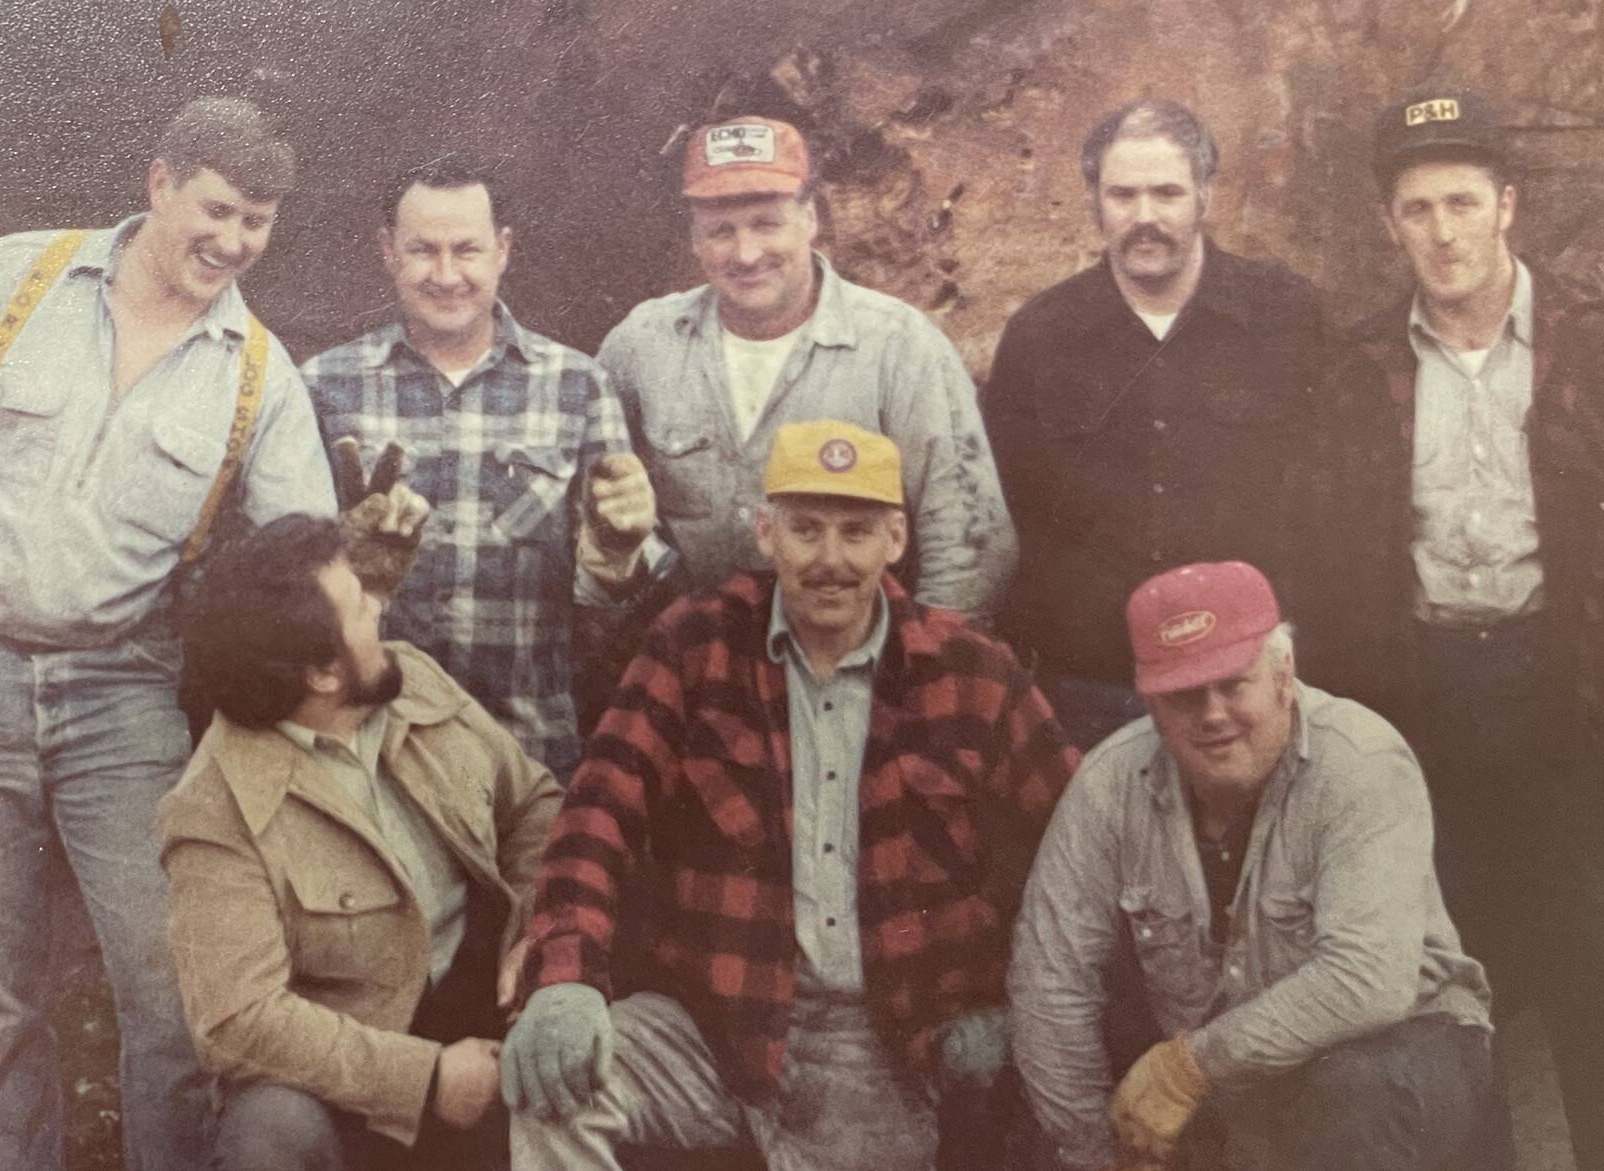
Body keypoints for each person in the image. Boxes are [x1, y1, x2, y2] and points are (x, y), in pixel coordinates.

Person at [0, 97, 350, 1170]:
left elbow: (305, 568)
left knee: (173, 1000)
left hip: (124, 694)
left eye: (257, 222)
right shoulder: (14, 278)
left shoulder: (256, 372)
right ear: (158, 183)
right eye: (216, 207)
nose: (232, 240)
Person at [504, 420, 1076, 1170]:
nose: (831, 559)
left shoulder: (972, 672)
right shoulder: (694, 644)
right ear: (765, 533)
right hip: (713, 1015)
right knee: (551, 1083)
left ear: (896, 539)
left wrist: (1013, 1008)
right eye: (805, 529)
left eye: (857, 531)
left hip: (879, 1040)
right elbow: (598, 811)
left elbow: (1076, 847)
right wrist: (566, 978)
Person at [1302, 90, 1604, 1171]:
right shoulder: (1357, 367)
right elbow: (1335, 562)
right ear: (1390, 222)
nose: (1440, 231)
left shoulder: (1585, 342)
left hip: (1566, 692)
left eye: (1460, 202)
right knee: (1451, 972)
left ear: (1505, 206)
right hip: (1423, 700)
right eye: (1416, 207)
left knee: (1588, 955)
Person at [1010, 560, 1494, 1171]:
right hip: (1222, 1073)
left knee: (1355, 1092)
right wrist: (1092, 1154)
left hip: (1393, 1047)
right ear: (1151, 703)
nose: (1212, 714)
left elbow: (1369, 980)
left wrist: (1189, 1067)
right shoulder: (1108, 784)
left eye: (1234, 684)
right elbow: (1051, 980)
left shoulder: (1362, 760)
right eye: (1185, 694)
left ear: (1282, 676)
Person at [159, 513, 563, 1170]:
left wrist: (537, 927)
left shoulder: (416, 680)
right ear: (322, 671)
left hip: (494, 1012)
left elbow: (535, 808)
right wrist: (426, 1078)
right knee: (268, 1132)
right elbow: (238, 1018)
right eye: (359, 605)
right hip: (361, 1084)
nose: (380, 604)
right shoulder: (212, 807)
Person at [981, 98, 1327, 749]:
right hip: (1093, 689)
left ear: (1206, 195)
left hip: (1247, 681)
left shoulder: (1285, 318)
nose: (1145, 217)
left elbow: (1324, 501)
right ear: (1094, 200)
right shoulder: (1040, 335)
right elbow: (1007, 516)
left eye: (1167, 192)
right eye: (1123, 194)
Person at [304, 159, 658, 778]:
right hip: (366, 753)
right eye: (422, 250)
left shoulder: (577, 386)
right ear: (388, 251)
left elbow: (610, 602)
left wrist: (619, 550)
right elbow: (283, 584)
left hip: (526, 753)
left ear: (503, 250)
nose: (446, 275)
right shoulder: (322, 386)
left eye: (466, 250)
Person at [595, 116, 1014, 617]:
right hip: (694, 670)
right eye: (721, 231)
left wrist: (921, 671)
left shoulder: (900, 347)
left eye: (767, 224)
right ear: (694, 239)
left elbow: (972, 540)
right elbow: (593, 521)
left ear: (811, 219)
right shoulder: (643, 345)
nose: (747, 253)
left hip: (861, 663)